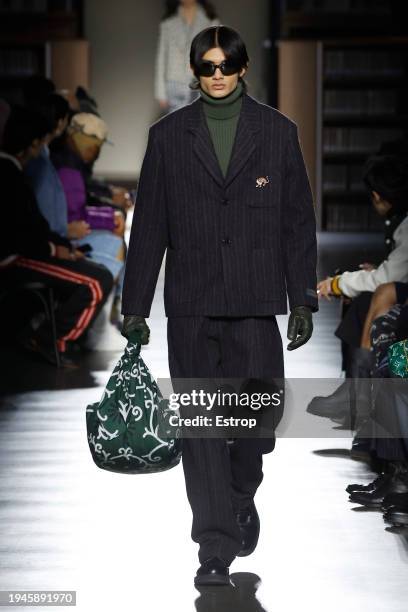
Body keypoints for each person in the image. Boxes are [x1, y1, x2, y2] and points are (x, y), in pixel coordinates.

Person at [121, 25, 318, 585]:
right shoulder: (168, 137)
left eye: (225, 66)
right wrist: (136, 307)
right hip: (192, 303)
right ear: (194, 71)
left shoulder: (278, 133)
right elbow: (151, 224)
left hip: (256, 303)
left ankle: (241, 488)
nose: (217, 76)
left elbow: (297, 222)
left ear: (243, 68)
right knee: (202, 427)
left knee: (258, 420)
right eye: (206, 67)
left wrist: (302, 297)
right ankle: (214, 546)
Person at [0, 106, 113, 367]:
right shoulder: (9, 175)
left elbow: (34, 226)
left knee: (96, 272)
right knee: (95, 282)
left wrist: (61, 247)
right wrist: (56, 250)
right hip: (14, 259)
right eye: (42, 141)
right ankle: (48, 338)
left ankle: (43, 334)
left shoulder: (16, 172)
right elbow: (18, 237)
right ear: (34, 143)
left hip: (30, 251)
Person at [155, 0, 220, 113]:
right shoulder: (168, 23)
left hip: (200, 82)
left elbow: (217, 56)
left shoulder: (210, 21)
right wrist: (160, 93)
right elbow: (162, 57)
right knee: (177, 126)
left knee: (199, 125)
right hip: (174, 83)